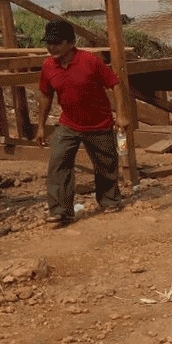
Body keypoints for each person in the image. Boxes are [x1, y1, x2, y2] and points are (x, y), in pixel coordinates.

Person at [35, 20, 130, 227]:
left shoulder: (90, 61)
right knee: (58, 163)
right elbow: (45, 96)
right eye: (48, 43)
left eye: (57, 43)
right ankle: (61, 211)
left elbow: (115, 84)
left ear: (71, 42)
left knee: (106, 164)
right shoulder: (48, 66)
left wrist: (121, 114)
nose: (52, 48)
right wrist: (41, 126)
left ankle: (109, 201)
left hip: (99, 123)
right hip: (68, 124)